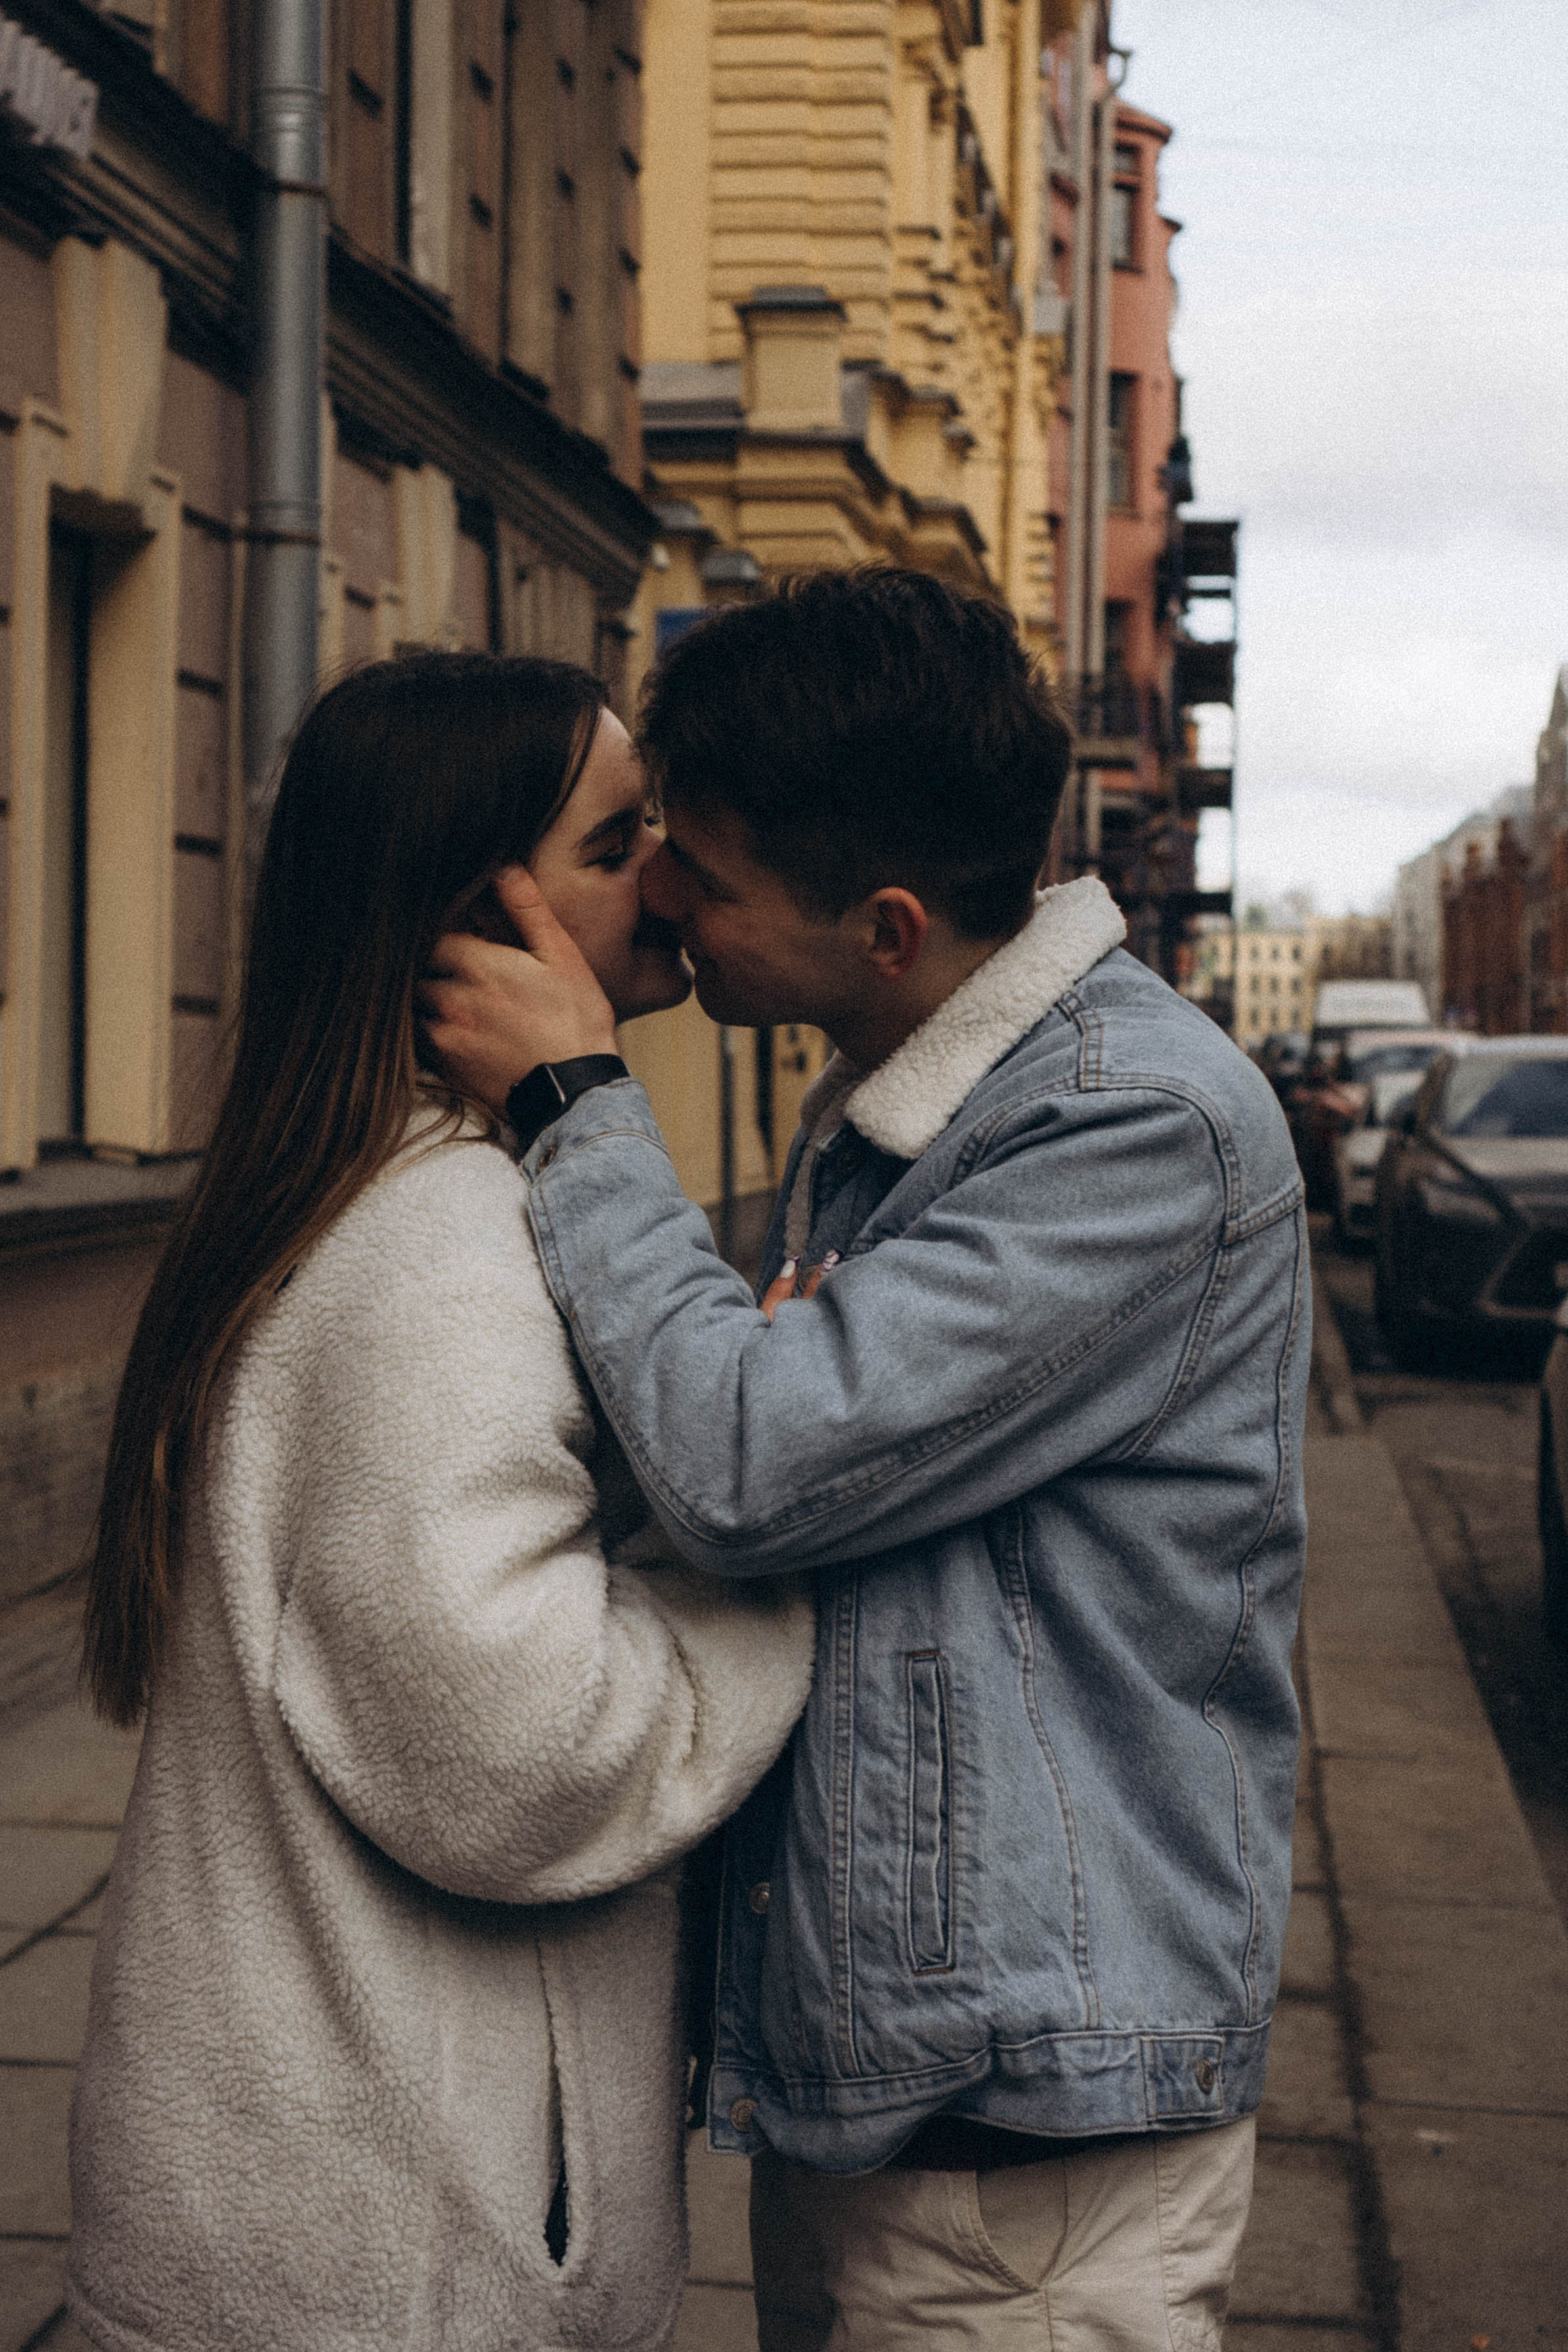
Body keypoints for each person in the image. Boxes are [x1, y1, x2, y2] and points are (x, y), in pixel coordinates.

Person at [422, 569, 1310, 2350]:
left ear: (886, 927)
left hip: (1029, 2148)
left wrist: (580, 1108)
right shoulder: (922, 1086)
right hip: (900, 2076)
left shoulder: (1130, 1122)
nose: (661, 896)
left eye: (702, 872)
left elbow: (747, 1464)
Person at [68, 653, 814, 2352]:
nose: (672, 875)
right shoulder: (447, 1246)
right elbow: (515, 1753)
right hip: (389, 2257)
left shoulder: (350, 1187)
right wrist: (777, 1572)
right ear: (486, 920)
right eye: (618, 842)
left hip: (305, 2212)